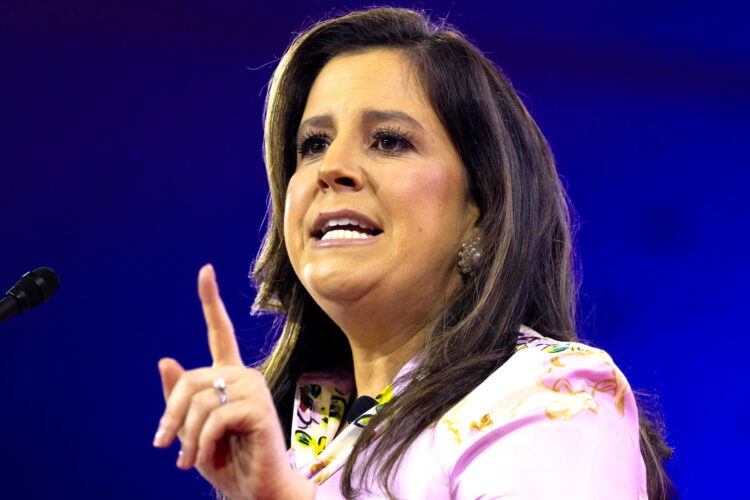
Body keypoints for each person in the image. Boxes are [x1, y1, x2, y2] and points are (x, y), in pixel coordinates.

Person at [153, 7, 675, 500]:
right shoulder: (305, 427)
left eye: (388, 141)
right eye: (312, 144)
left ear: (482, 209)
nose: (331, 168)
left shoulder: (546, 395)